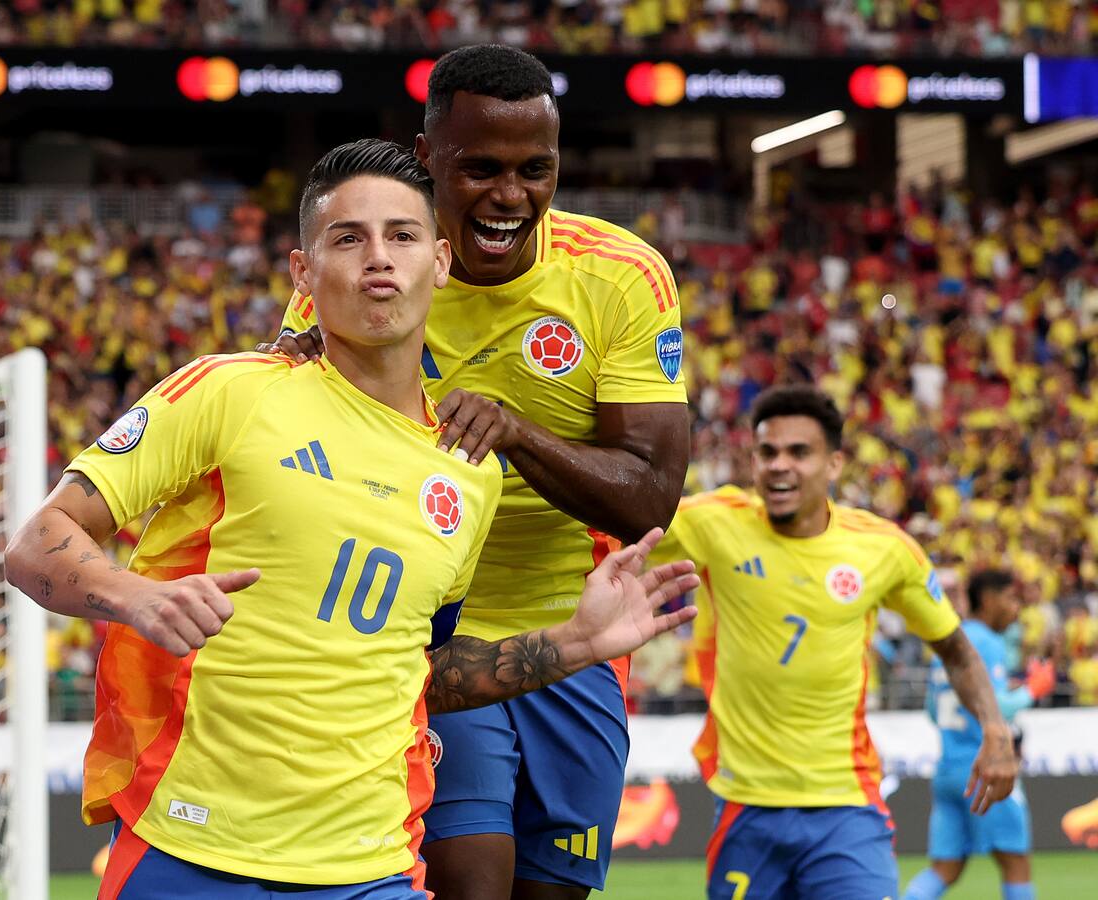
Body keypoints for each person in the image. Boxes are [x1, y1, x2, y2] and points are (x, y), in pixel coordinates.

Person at [4, 140, 698, 900]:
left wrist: (576, 643)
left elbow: (417, 678)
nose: (379, 258)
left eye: (401, 236)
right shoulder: (230, 393)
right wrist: (133, 596)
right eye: (348, 238)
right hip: (190, 845)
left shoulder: (467, 476)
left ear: (438, 262)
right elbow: (39, 542)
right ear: (304, 274)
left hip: (370, 871)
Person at [267, 45, 689, 900]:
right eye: (481, 169)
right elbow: (297, 450)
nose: (511, 196)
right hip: (433, 645)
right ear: (428, 161)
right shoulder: (373, 272)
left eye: (537, 169)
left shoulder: (621, 277)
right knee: (470, 877)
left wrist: (516, 435)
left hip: (574, 643)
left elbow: (651, 497)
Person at [648, 384, 1018, 900]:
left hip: (846, 807)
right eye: (768, 452)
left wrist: (995, 729)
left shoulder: (884, 550)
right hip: (743, 807)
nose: (780, 466)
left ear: (835, 464)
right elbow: (615, 530)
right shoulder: (712, 522)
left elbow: (955, 649)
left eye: (800, 452)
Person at [903, 570, 1054, 900]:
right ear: (988, 599)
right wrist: (1033, 690)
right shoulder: (985, 641)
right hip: (985, 769)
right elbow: (993, 707)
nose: (1016, 609)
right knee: (1016, 865)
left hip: (947, 771)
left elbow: (933, 710)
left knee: (944, 869)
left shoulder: (949, 640)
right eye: (1010, 598)